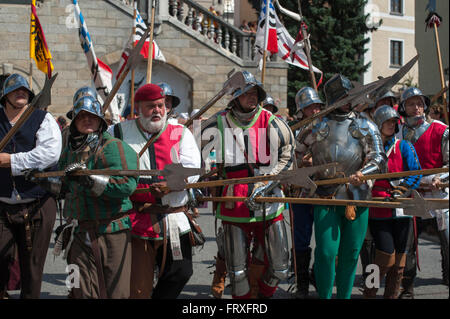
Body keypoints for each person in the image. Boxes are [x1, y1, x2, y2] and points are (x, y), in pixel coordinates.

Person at [30, 94, 139, 298]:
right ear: (74, 122)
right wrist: (41, 181)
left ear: (100, 120)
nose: (86, 120)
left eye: (91, 116)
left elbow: (127, 186)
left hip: (111, 231)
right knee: (78, 290)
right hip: (78, 232)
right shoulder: (68, 151)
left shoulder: (113, 147)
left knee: (116, 292)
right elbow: (63, 188)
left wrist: (90, 181)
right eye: (81, 116)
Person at [201, 70, 295, 299]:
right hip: (234, 199)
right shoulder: (218, 122)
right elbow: (196, 153)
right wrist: (204, 176)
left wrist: (267, 182)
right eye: (246, 93)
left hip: (269, 197)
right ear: (235, 97)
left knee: (280, 267)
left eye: (254, 93)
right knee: (237, 271)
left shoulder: (272, 122)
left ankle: (262, 295)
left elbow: (288, 157)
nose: (251, 97)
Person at [109, 83, 201, 299]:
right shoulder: (117, 132)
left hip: (173, 216)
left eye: (161, 105)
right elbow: (105, 162)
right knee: (138, 289)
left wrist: (172, 184)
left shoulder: (180, 132)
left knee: (181, 273)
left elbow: (193, 168)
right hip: (136, 218)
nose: (158, 110)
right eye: (151, 106)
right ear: (138, 107)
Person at [308, 74, 387, 299]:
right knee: (325, 252)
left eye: (348, 96)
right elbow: (296, 151)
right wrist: (304, 167)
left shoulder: (364, 124)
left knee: (351, 254)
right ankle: (324, 295)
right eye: (341, 96)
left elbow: (379, 158)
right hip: (325, 195)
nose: (346, 100)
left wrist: (364, 173)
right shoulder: (317, 124)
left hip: (356, 195)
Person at [0, 73, 62, 298]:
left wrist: (11, 161)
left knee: (33, 268)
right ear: (4, 95)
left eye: (24, 90)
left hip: (37, 202)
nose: (21, 92)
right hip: (2, 203)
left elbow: (49, 155)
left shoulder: (42, 119)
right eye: (15, 89)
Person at [363, 105, 422, 299]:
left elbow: (415, 172)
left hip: (402, 207)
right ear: (378, 124)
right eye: (387, 122)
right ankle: (370, 293)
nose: (391, 125)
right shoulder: (369, 148)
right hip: (378, 208)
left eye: (393, 122)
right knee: (383, 257)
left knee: (399, 261)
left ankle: (391, 296)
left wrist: (403, 189)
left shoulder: (404, 146)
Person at [396, 87, 449, 298]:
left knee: (448, 240)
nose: (416, 107)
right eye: (411, 103)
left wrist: (441, 179)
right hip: (410, 194)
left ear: (425, 106)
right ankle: (407, 288)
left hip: (438, 193)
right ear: (403, 108)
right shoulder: (397, 133)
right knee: (407, 244)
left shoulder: (441, 129)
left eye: (419, 103)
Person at [290, 86, 324, 299]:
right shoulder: (292, 130)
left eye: (317, 106)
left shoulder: (328, 127)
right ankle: (301, 283)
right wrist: (299, 163)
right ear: (301, 110)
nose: (314, 110)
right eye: (309, 107)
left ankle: (318, 276)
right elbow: (284, 161)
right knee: (301, 239)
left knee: (325, 240)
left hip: (323, 191)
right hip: (300, 190)